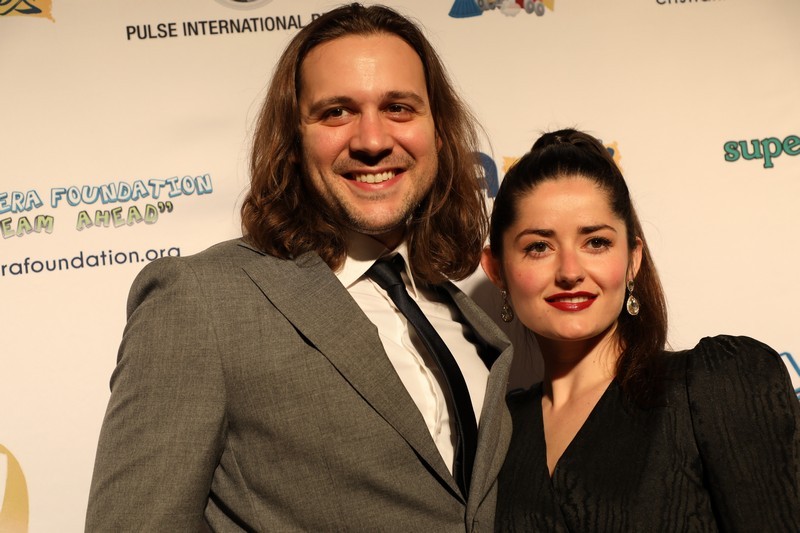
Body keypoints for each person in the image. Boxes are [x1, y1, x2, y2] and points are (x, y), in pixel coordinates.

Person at [85, 4, 513, 532]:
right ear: (292, 141)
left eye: (399, 108)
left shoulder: (465, 318)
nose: (373, 140)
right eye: (336, 112)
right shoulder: (201, 302)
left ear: (438, 132)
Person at [481, 128, 800, 531]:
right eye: (539, 247)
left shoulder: (715, 384)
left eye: (596, 242)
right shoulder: (495, 433)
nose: (570, 272)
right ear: (497, 269)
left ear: (633, 260)